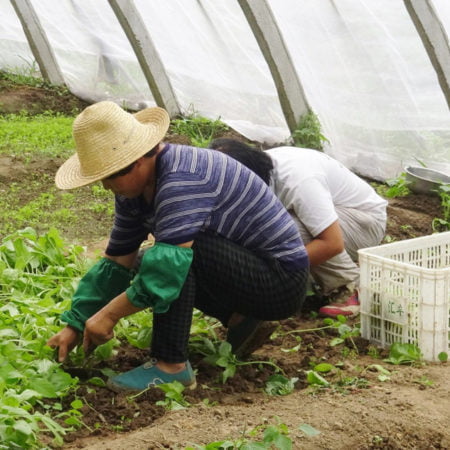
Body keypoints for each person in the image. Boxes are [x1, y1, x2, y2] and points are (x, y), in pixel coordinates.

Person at [46, 101, 309, 393]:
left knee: (172, 259)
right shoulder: (133, 192)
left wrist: (108, 315)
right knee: (148, 259)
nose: (107, 187)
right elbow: (117, 261)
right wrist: (76, 322)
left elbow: (166, 271)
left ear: (140, 159)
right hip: (245, 272)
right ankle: (241, 318)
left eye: (111, 175)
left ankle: (170, 366)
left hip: (281, 281)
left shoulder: (182, 179)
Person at [209, 138, 387, 318]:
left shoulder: (297, 178)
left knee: (285, 230)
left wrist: (275, 271)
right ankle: (312, 281)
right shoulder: (258, 170)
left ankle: (351, 287)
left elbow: (332, 243)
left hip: (365, 222)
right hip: (337, 220)